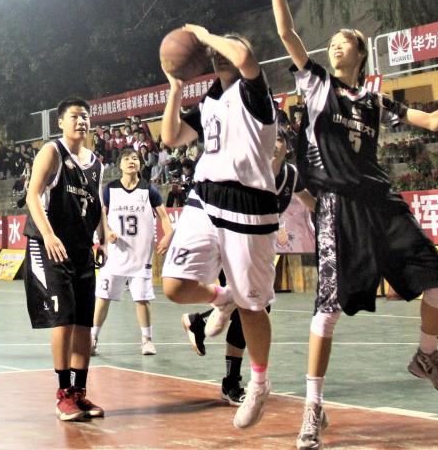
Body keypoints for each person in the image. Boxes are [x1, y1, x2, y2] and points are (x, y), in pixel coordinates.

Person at [264, 0, 438, 450]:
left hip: (382, 202)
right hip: (338, 206)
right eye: (332, 42)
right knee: (328, 309)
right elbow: (287, 32)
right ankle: (313, 407)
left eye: (344, 41)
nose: (335, 45)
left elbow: (431, 122)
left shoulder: (376, 100)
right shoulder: (316, 83)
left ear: (359, 51)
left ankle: (426, 356)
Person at [160, 25, 279, 431]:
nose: (218, 53)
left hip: (249, 203)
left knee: (253, 306)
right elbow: (171, 136)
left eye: (227, 47)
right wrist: (176, 88)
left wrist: (204, 34)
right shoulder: (210, 98)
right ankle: (223, 298)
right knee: (175, 286)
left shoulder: (254, 90)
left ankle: (258, 384)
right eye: (213, 50)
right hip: (205, 196)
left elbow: (244, 58)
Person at [181, 129, 313, 406]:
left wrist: (336, 211)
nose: (273, 145)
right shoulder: (243, 170)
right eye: (269, 140)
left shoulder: (290, 175)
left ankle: (200, 322)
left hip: (256, 248)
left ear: (286, 147)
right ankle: (231, 381)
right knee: (250, 307)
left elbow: (310, 201)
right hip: (229, 242)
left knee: (254, 306)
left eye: (279, 141)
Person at [23, 97, 106, 422]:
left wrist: (103, 237)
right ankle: (63, 394)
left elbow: (97, 203)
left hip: (81, 248)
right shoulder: (52, 152)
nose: (81, 121)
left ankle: (79, 393)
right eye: (75, 116)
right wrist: (48, 235)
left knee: (85, 322)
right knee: (64, 319)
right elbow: (32, 194)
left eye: (85, 116)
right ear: (61, 122)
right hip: (50, 247)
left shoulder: (96, 163)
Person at [90, 147, 173, 357]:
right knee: (103, 297)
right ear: (120, 164)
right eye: (126, 158)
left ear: (140, 163)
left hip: (140, 257)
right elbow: (101, 216)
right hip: (115, 255)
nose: (131, 161)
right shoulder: (110, 190)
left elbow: (164, 217)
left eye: (135, 158)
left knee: (142, 299)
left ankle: (147, 340)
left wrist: (168, 235)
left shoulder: (149, 190)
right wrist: (107, 232)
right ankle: (93, 338)